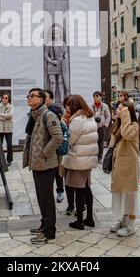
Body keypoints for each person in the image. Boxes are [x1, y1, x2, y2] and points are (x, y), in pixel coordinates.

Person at [23, 88, 63, 245]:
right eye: (28, 95)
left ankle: (50, 231)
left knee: (47, 199)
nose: (29, 98)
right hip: (37, 164)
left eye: (32, 96)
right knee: (41, 198)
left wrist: (45, 153)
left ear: (41, 99)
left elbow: (58, 137)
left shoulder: (49, 115)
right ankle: (44, 224)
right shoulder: (35, 116)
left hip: (46, 164)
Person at [61, 94, 98, 230]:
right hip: (87, 159)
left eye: (68, 105)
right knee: (86, 188)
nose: (67, 108)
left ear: (74, 105)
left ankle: (80, 221)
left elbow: (70, 140)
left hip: (77, 159)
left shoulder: (76, 121)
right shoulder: (89, 117)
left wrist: (66, 125)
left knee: (78, 190)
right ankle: (89, 218)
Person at [110, 101, 140, 237]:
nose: (118, 110)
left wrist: (125, 116)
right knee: (121, 194)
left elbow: (127, 135)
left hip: (129, 166)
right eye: (119, 109)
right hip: (118, 165)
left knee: (131, 195)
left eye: (122, 109)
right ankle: (123, 219)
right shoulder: (119, 123)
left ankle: (131, 225)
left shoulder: (134, 125)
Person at [44, 89, 65, 203]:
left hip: (55, 144)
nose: (43, 100)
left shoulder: (56, 110)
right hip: (45, 144)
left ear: (51, 99)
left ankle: (60, 191)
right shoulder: (40, 110)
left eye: (46, 97)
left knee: (57, 170)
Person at [44, 26, 68, 105]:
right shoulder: (50, 43)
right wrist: (51, 61)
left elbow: (65, 53)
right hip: (52, 64)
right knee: (53, 83)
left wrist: (65, 57)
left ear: (60, 34)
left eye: (57, 33)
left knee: (61, 82)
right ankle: (52, 99)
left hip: (61, 64)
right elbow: (46, 54)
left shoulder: (63, 44)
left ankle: (62, 99)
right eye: (54, 33)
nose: (55, 35)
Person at [91, 91, 111, 162]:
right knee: (93, 142)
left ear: (101, 97)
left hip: (102, 127)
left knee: (101, 142)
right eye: (94, 96)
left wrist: (106, 125)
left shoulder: (105, 106)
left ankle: (99, 157)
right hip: (93, 127)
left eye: (97, 96)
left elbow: (108, 116)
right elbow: (89, 116)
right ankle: (94, 156)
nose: (95, 98)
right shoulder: (91, 106)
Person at [0, 94, 14, 166]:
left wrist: (1, 115)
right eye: (2, 97)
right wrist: (5, 117)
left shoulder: (11, 106)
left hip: (8, 128)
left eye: (6, 98)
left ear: (8, 99)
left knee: (9, 145)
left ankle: (9, 160)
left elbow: (11, 115)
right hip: (0, 128)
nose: (4, 99)